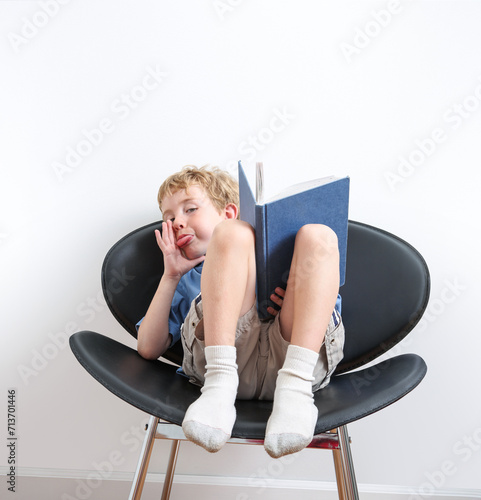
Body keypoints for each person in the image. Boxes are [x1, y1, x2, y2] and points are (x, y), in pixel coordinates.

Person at [137, 165, 345, 458]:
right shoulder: (186, 279)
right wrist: (170, 277)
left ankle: (296, 391)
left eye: (190, 209)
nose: (177, 223)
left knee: (320, 235)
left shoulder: (285, 260)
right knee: (233, 235)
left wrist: (294, 297)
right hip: (218, 364)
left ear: (229, 210)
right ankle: (220, 383)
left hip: (296, 360)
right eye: (168, 218)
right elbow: (147, 347)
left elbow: (325, 312)